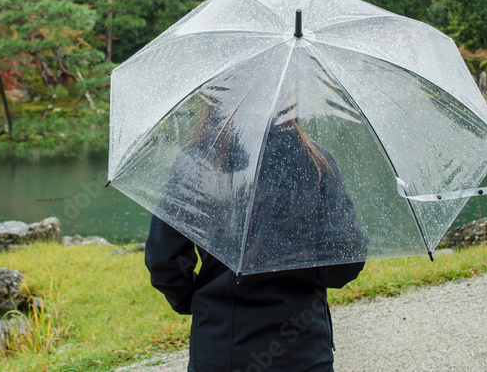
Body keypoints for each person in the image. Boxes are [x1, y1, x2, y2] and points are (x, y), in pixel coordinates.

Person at [145, 108, 367, 372]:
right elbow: (344, 263)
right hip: (301, 351)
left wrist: (196, 301)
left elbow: (165, 260)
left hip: (218, 349)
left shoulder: (197, 163)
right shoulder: (315, 161)